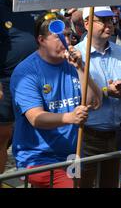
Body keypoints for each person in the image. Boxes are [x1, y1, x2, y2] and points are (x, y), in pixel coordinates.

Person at [10, 13, 102, 188]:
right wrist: (70, 118)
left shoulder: (74, 64)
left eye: (68, 35)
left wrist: (81, 68)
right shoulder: (27, 72)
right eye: (59, 36)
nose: (66, 40)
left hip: (72, 154)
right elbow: (35, 118)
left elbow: (94, 103)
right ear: (41, 40)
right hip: (38, 157)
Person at [76, 7, 121, 188]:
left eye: (110, 20)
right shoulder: (76, 55)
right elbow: (78, 97)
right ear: (87, 23)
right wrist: (106, 91)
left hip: (117, 134)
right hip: (87, 135)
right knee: (82, 184)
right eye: (102, 21)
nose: (108, 25)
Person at [0, 0, 37, 177]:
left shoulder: (33, 5)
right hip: (5, 81)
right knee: (3, 135)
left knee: (33, 129)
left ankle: (32, 178)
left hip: (33, 80)